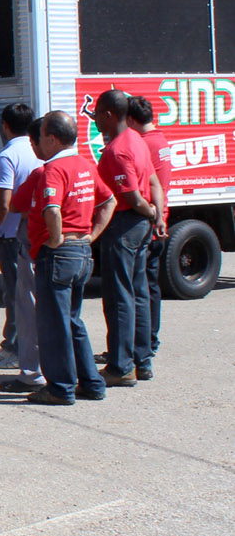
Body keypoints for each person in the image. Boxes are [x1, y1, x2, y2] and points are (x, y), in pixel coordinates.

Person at [16, 112, 115, 406]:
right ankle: (91, 382)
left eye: (42, 136)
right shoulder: (86, 164)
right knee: (72, 321)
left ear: (51, 139)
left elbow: (52, 209)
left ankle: (60, 388)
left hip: (58, 254)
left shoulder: (52, 170)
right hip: (82, 252)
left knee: (53, 324)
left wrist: (56, 239)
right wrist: (92, 234)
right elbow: (108, 201)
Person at [93, 88, 164, 387]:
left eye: (97, 114)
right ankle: (142, 361)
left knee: (119, 297)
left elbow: (133, 195)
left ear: (109, 115)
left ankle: (120, 368)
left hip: (123, 224)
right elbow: (155, 182)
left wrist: (148, 211)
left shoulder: (117, 150)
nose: (95, 120)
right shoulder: (136, 139)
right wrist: (157, 215)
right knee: (137, 293)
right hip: (139, 225)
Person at [0, 102, 45, 394]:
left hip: (12, 234)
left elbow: (4, 201)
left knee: (15, 295)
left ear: (5, 126)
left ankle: (13, 347)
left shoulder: (8, 155)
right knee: (31, 294)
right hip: (38, 231)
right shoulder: (40, 151)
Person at [127, 96, 172, 362]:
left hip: (148, 221)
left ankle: (142, 342)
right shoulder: (160, 139)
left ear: (131, 120)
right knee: (150, 286)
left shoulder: (142, 145)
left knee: (139, 288)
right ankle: (150, 339)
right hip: (160, 218)